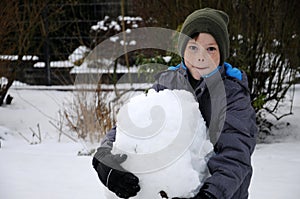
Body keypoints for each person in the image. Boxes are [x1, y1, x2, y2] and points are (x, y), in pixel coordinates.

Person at [92, 8, 257, 199]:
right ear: (182, 50)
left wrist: (209, 196)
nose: (200, 57)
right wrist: (104, 155)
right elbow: (134, 124)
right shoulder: (167, 82)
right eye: (193, 47)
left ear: (222, 52)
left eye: (211, 49)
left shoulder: (232, 94)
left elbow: (235, 156)